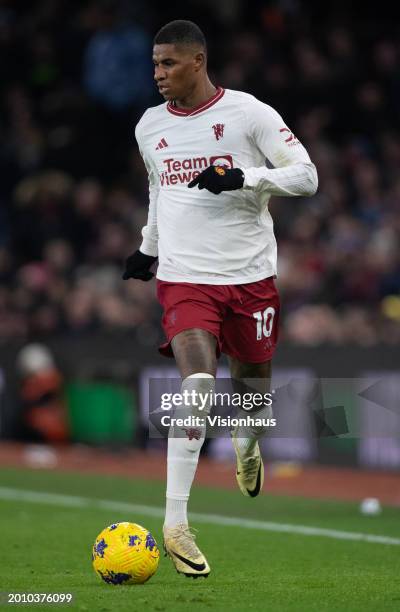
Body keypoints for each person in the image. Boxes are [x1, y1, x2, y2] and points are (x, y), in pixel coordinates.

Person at [123, 19, 318, 578]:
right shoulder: (149, 125)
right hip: (185, 278)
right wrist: (148, 247)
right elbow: (159, 188)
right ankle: (176, 523)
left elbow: (306, 177)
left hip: (250, 278)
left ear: (199, 61)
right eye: (155, 64)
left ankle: (248, 445)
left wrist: (244, 179)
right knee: (199, 385)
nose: (157, 74)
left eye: (168, 64)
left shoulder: (249, 113)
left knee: (252, 398)